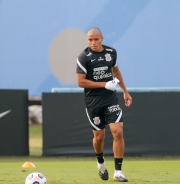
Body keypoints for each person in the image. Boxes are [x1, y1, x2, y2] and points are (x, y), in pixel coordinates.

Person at [76, 27, 132, 182]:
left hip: (110, 99)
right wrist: (103, 84)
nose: (93, 43)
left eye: (96, 39)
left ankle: (118, 171)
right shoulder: (83, 57)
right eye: (90, 40)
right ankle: (100, 161)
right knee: (99, 137)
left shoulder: (111, 53)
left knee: (118, 131)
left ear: (102, 38)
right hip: (93, 102)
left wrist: (125, 92)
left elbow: (116, 71)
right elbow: (80, 82)